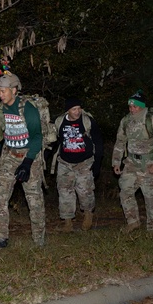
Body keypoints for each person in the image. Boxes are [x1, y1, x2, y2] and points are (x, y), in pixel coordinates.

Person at [0, 70, 46, 248]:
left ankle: (39, 239)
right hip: (10, 155)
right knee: (0, 196)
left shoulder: (27, 108)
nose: (1, 94)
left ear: (14, 90)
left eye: (4, 91)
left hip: (30, 154)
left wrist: (28, 163)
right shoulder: (0, 110)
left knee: (34, 199)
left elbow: (37, 137)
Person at [112, 90, 153, 233]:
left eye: (135, 106)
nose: (132, 109)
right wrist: (116, 161)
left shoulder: (152, 119)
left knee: (151, 196)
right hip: (131, 163)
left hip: (149, 162)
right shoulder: (125, 121)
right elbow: (120, 142)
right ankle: (133, 221)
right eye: (130, 106)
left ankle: (152, 227)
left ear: (142, 106)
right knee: (125, 191)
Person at [52, 98, 103, 231]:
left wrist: (97, 163)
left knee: (85, 191)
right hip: (65, 163)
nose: (77, 111)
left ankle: (88, 216)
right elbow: (56, 141)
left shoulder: (87, 121)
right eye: (74, 109)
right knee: (64, 192)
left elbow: (98, 142)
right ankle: (67, 222)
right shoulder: (60, 122)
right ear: (67, 110)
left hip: (84, 163)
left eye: (79, 108)